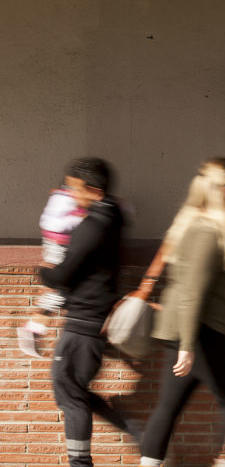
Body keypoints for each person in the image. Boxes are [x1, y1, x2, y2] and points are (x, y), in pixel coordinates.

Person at [139, 158, 225, 467]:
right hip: (203, 332)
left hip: (192, 331)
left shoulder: (192, 221)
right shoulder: (207, 231)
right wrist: (187, 346)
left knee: (169, 407)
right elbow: (191, 290)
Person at [40, 157, 137, 466]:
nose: (70, 194)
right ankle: (136, 430)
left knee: (68, 392)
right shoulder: (114, 216)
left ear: (93, 190)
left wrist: (43, 270)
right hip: (93, 318)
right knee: (72, 389)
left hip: (83, 321)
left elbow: (63, 275)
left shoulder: (93, 225)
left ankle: (81, 463)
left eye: (74, 188)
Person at [18, 163, 87, 357]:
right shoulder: (66, 198)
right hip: (59, 247)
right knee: (59, 293)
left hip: (57, 247)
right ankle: (32, 329)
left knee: (60, 292)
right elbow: (62, 224)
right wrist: (83, 217)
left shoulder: (60, 196)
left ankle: (35, 329)